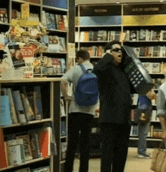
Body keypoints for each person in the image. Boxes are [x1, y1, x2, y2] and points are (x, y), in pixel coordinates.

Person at [93, 40, 132, 172]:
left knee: (121, 155)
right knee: (107, 154)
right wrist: (108, 55)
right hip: (110, 120)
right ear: (108, 53)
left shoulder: (123, 71)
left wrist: (124, 54)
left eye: (121, 50)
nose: (119, 52)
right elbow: (97, 69)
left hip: (124, 120)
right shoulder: (105, 70)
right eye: (116, 50)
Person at [61, 50, 98, 172]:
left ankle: (68, 169)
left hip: (75, 110)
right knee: (85, 143)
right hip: (90, 111)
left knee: (72, 143)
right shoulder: (96, 69)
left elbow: (63, 80)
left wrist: (66, 96)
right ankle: (84, 169)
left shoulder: (76, 69)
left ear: (80, 58)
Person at [136, 90, 155, 159]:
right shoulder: (146, 86)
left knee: (142, 132)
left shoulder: (142, 86)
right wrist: (153, 92)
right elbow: (151, 96)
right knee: (143, 132)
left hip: (143, 108)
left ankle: (141, 151)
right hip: (144, 109)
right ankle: (141, 152)